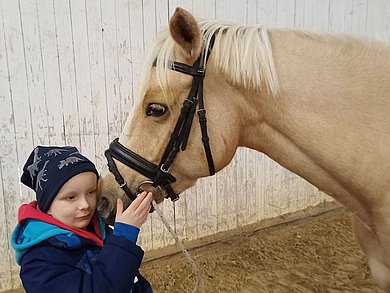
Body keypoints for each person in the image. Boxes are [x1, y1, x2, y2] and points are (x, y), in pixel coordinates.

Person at [11, 145, 153, 293]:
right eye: (71, 197)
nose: (85, 205)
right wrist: (123, 239)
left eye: (91, 192)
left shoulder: (97, 230)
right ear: (47, 206)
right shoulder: (39, 263)